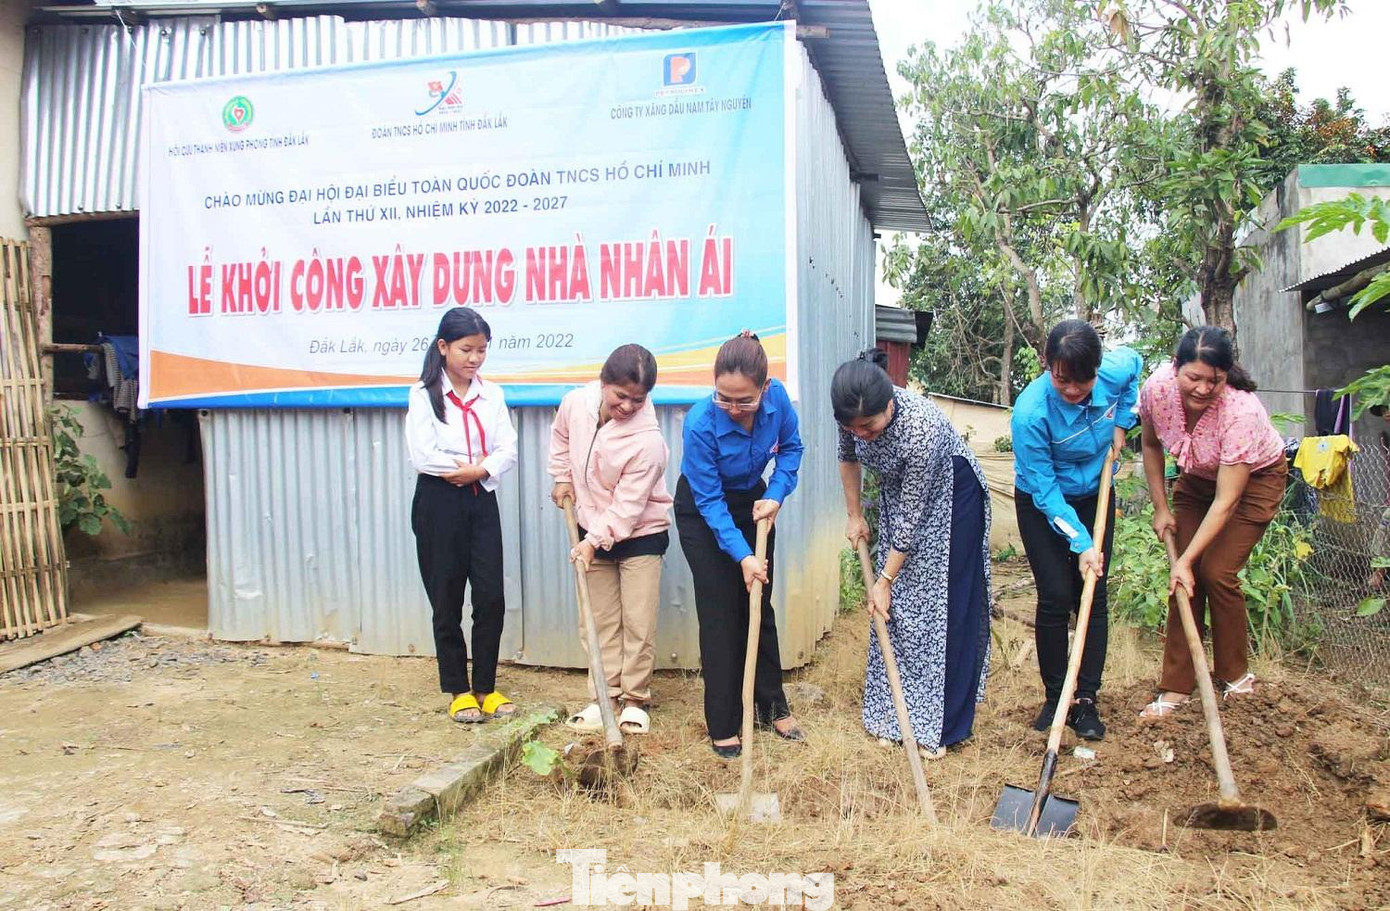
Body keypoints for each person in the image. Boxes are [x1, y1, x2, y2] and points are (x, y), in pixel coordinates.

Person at [835, 349, 991, 759]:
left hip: (951, 497)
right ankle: (894, 717)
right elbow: (848, 459)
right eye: (855, 428)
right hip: (899, 497)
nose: (862, 433)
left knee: (942, 608)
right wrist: (855, 515)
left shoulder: (919, 429)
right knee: (900, 610)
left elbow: (912, 518)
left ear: (890, 404)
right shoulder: (850, 415)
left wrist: (884, 580)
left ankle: (940, 727)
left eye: (869, 426)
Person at [1137, 326, 1287, 719]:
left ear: (1226, 374)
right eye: (1194, 378)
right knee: (1183, 581)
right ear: (1176, 368)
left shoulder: (1241, 411)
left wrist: (1187, 559)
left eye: (1214, 380)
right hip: (1197, 480)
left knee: (1215, 571)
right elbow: (1151, 445)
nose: (1203, 388)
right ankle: (1176, 686)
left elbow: (1226, 500)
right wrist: (1160, 508)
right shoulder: (1157, 390)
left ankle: (1235, 676)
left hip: (1253, 482)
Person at [674, 331, 805, 758]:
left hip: (754, 503)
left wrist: (776, 494)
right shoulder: (699, 424)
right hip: (703, 510)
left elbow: (791, 451)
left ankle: (771, 705)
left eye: (743, 401)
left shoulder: (778, 401)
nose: (733, 409)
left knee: (758, 603)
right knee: (720, 612)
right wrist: (744, 556)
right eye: (723, 398)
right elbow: (710, 502)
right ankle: (725, 721)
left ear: (764, 389)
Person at [1011, 320, 1142, 741]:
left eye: (1082, 382)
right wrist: (1082, 542)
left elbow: (1136, 366)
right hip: (1042, 501)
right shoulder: (1030, 413)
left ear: (1098, 369)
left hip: (1095, 493)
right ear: (1048, 365)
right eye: (1062, 380)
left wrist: (1121, 422)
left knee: (1092, 593)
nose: (1072, 390)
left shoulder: (1114, 370)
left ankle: (1085, 699)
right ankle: (1056, 697)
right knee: (1055, 596)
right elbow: (1046, 491)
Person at [548, 344, 673, 736]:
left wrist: (592, 541)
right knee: (597, 621)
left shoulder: (648, 443)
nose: (627, 406)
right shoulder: (575, 404)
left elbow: (629, 507)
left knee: (637, 620)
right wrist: (561, 476)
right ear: (604, 384)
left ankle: (635, 700)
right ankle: (604, 695)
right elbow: (561, 439)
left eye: (638, 399)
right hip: (589, 525)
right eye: (620, 396)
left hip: (640, 534)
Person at [405, 306, 519, 724]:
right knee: (446, 594)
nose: (474, 359)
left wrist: (481, 469)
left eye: (481, 351)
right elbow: (424, 454)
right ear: (443, 347)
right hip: (440, 501)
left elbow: (508, 446)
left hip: (480, 495)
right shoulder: (423, 395)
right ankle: (457, 688)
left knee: (491, 596)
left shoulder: (493, 395)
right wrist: (464, 466)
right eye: (466, 350)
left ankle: (485, 686)